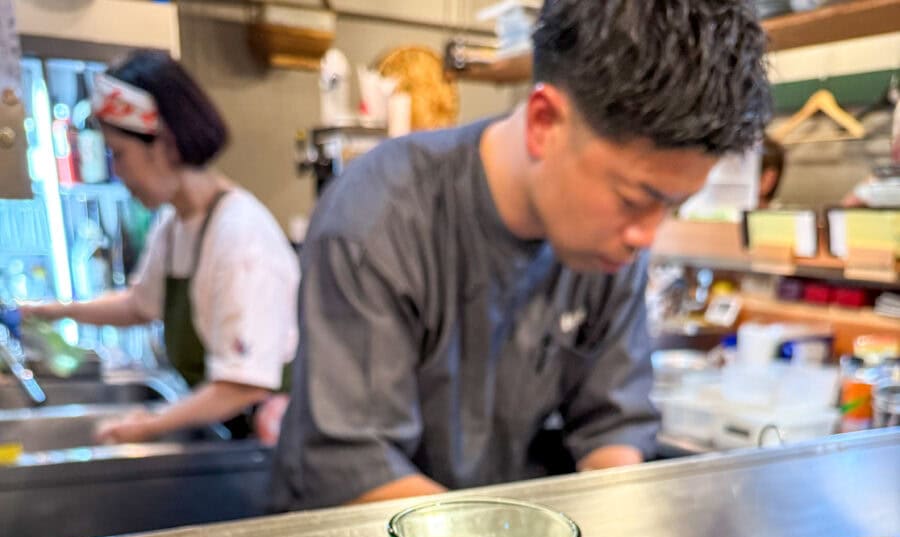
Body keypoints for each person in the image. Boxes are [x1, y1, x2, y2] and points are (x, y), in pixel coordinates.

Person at [271, 0, 771, 510]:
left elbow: (612, 423)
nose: (647, 234)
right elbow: (356, 464)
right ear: (543, 121)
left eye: (673, 207)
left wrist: (609, 513)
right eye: (635, 200)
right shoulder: (379, 216)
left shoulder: (611, 244)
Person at [23, 51, 299, 444]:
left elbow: (242, 386)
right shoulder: (175, 222)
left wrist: (147, 426)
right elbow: (139, 305)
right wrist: (53, 311)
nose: (117, 174)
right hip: (229, 441)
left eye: (119, 154)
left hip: (268, 450)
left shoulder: (240, 236)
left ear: (165, 144)